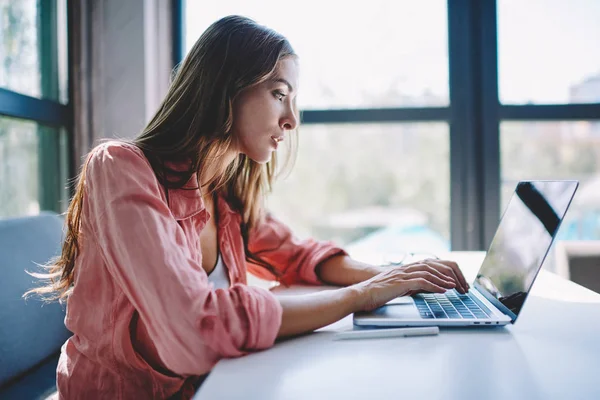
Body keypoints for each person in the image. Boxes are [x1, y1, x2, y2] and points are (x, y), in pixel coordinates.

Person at [27, 15, 469, 399]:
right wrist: (361, 296)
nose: (292, 119)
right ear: (226, 88)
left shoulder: (223, 191)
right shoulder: (120, 168)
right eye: (280, 94)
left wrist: (396, 279)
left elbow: (299, 255)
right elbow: (193, 331)